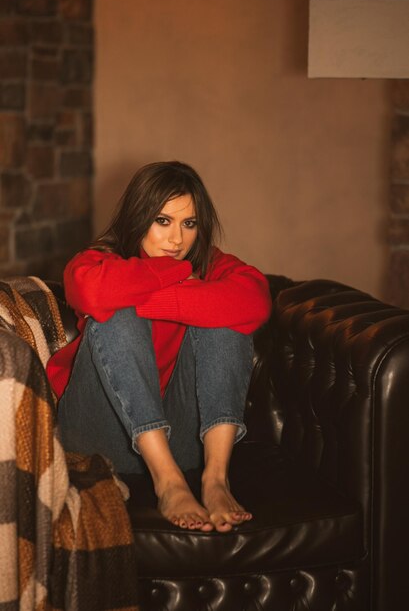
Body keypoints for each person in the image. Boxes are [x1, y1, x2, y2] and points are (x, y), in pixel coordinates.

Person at [47, 161, 272, 533]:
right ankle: (168, 483)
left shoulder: (208, 262)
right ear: (138, 219)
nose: (177, 241)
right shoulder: (100, 260)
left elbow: (256, 301)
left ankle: (216, 479)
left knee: (227, 320)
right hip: (95, 437)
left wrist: (156, 293)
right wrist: (177, 274)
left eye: (189, 224)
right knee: (116, 315)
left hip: (180, 442)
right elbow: (91, 290)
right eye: (163, 221)